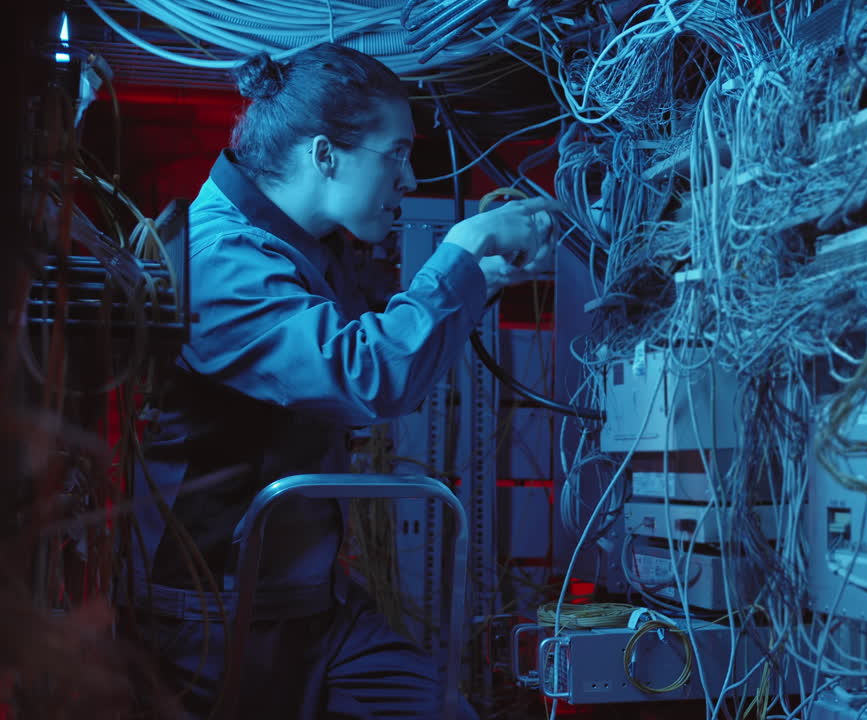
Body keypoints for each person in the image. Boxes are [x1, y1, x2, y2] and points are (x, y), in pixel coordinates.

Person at [120, 43, 554, 719]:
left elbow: (360, 349)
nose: (408, 178)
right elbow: (368, 376)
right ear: (325, 156)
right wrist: (462, 249)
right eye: (397, 153)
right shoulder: (222, 259)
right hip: (213, 618)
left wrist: (478, 283)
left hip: (308, 604)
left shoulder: (298, 248)